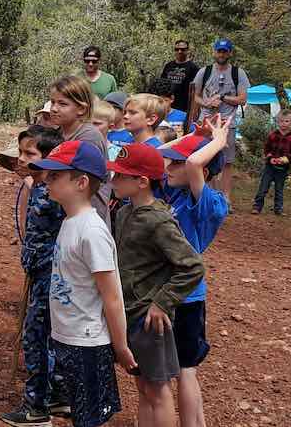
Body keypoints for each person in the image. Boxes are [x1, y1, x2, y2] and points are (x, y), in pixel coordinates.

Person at [29, 141, 132, 427]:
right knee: (80, 412)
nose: (46, 181)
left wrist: (120, 346)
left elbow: (112, 296)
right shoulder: (70, 221)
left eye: (55, 176)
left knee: (90, 418)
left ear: (81, 182)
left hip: (89, 342)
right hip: (68, 336)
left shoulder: (92, 231)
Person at [109, 144, 205, 427]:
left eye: (120, 176)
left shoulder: (159, 221)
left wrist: (163, 302)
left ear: (141, 182)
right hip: (129, 313)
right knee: (143, 387)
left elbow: (192, 266)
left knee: (158, 390)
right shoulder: (125, 213)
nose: (113, 181)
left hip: (148, 321)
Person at [154, 117, 231, 427]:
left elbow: (194, 162)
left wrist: (219, 142)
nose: (170, 168)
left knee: (186, 369)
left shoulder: (209, 204)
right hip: (161, 293)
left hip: (186, 298)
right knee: (165, 370)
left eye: (178, 165)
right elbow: (155, 153)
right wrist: (191, 136)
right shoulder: (173, 193)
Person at [0, 127, 70, 427]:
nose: (22, 158)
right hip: (40, 271)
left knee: (36, 338)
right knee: (46, 337)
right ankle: (56, 395)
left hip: (49, 276)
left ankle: (36, 408)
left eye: (30, 154)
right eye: (21, 152)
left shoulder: (55, 193)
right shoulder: (42, 185)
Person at [47, 75, 111, 227]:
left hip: (87, 219)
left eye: (62, 104)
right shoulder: (59, 133)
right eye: (53, 102)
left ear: (82, 109)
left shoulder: (89, 138)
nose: (54, 109)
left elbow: (81, 182)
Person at [190, 38, 249, 199]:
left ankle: (226, 197)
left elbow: (242, 99)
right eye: (219, 51)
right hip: (206, 123)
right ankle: (207, 194)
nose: (221, 54)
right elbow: (195, 97)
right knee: (205, 159)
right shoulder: (204, 72)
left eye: (225, 51)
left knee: (227, 163)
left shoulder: (238, 73)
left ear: (230, 53)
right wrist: (207, 102)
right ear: (214, 52)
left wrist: (222, 98)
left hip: (226, 124)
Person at [253, 109, 291, 216]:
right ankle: (257, 206)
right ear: (278, 122)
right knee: (263, 187)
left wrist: (286, 159)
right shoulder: (272, 135)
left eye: (287, 121)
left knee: (279, 189)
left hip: (283, 169)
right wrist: (270, 158)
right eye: (281, 121)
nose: (284, 124)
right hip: (270, 167)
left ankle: (278, 209)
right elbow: (266, 149)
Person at [160, 40, 199, 114]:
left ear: (187, 51)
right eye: (177, 49)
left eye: (183, 49)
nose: (179, 51)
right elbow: (162, 85)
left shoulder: (193, 68)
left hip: (184, 108)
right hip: (167, 107)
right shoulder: (168, 66)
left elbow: (196, 91)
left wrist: (193, 111)